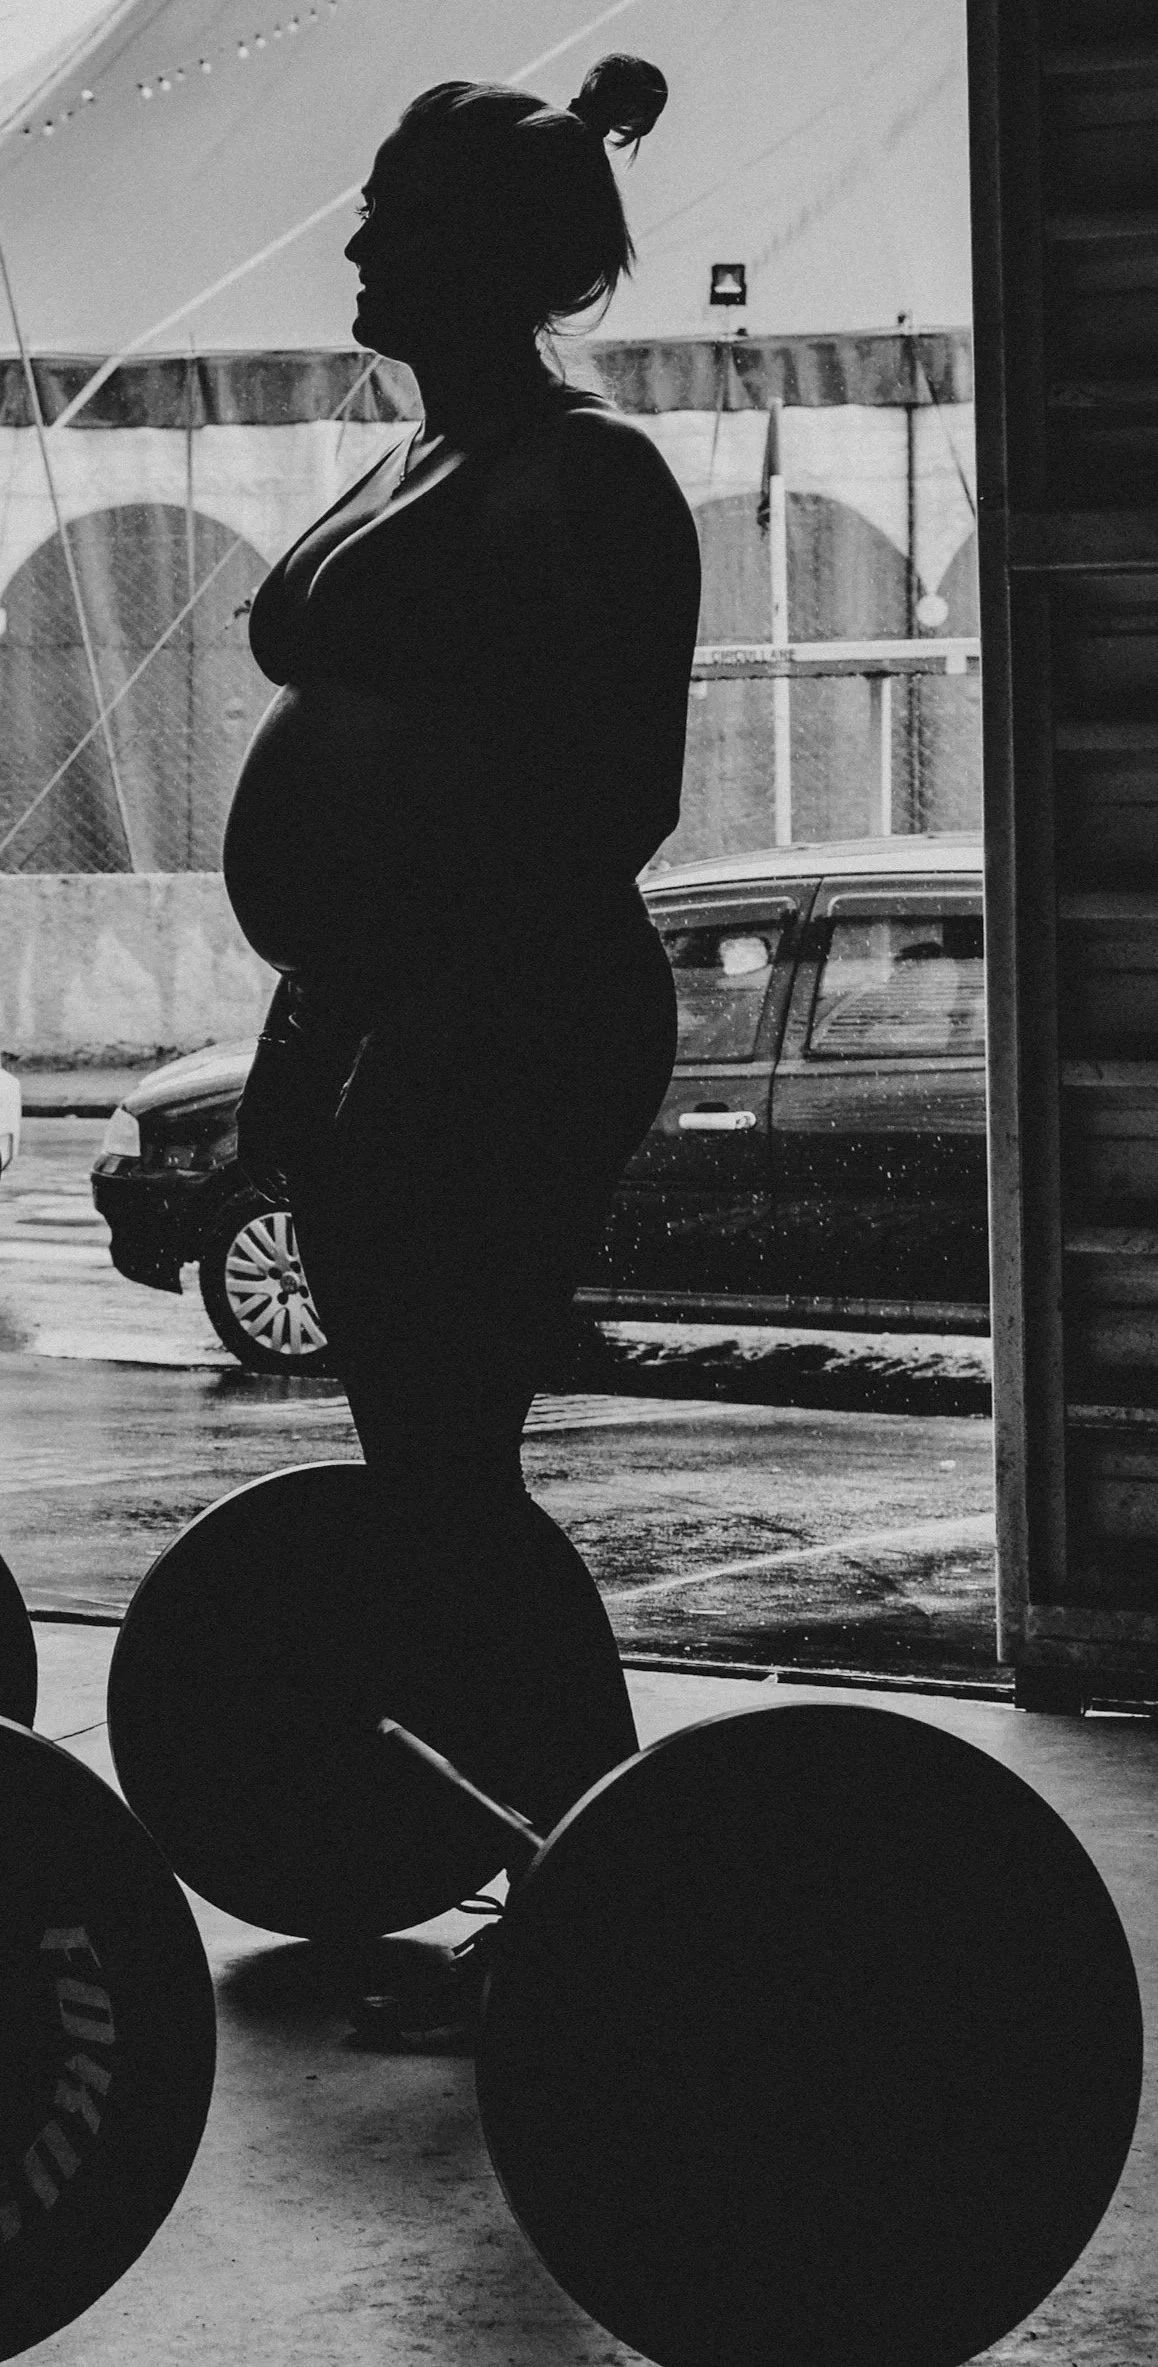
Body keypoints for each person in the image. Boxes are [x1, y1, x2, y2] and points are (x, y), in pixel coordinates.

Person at [221, 55, 701, 2019]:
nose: (353, 239)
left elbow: (614, 800)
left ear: (493, 254)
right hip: (391, 1017)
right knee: (428, 1470)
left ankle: (601, 1907)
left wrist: (410, 1008)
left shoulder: (590, 478)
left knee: (449, 1473)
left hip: (513, 1019)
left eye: (396, 215)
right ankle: (565, 1891)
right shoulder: (416, 460)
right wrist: (306, 1042)